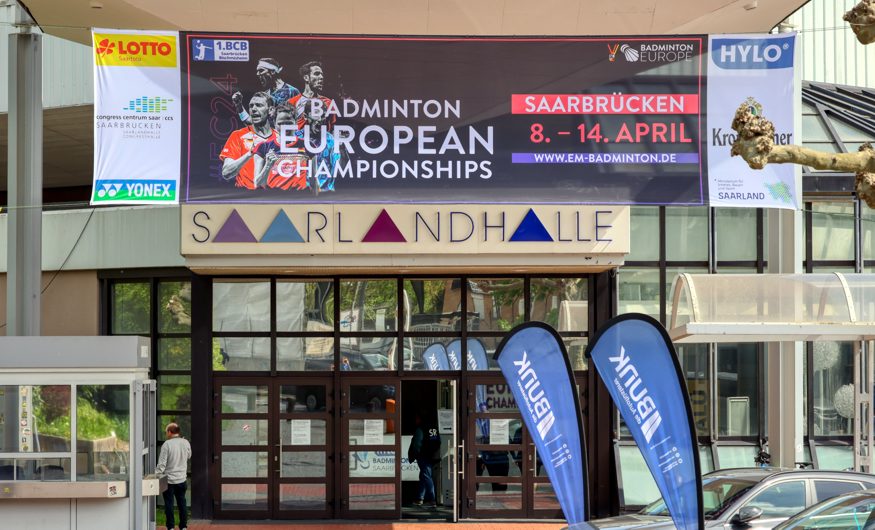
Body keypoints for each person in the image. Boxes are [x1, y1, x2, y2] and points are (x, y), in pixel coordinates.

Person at [220, 92, 277, 189]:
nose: (253, 109)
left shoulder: (280, 138)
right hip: (246, 198)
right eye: (251, 106)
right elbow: (226, 173)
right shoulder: (238, 136)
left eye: (259, 105)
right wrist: (250, 153)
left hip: (276, 197)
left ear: (270, 110)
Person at [232, 57, 300, 124]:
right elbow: (252, 122)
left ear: (273, 71)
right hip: (270, 134)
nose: (257, 74)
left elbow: (300, 120)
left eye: (261, 70)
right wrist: (239, 106)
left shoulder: (292, 91)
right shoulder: (265, 95)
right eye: (257, 71)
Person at [156, 422, 192, 530]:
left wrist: (155, 475)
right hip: (181, 479)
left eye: (166, 431)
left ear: (170, 432)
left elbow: (162, 465)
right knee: (182, 503)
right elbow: (189, 456)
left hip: (169, 480)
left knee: (169, 504)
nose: (166, 433)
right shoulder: (185, 442)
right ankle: (183, 526)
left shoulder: (167, 444)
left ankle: (170, 527)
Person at [289, 61, 336, 133]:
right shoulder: (292, 103)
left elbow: (332, 129)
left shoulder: (328, 102)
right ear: (306, 78)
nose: (321, 77)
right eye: (317, 74)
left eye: (322, 74)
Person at [409, 411, 441, 507]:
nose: (416, 420)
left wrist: (414, 455)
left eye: (417, 418)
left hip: (424, 456)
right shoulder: (434, 428)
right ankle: (419, 498)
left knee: (426, 476)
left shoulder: (421, 429)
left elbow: (416, 445)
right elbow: (438, 441)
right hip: (434, 456)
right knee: (424, 475)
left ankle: (432, 500)